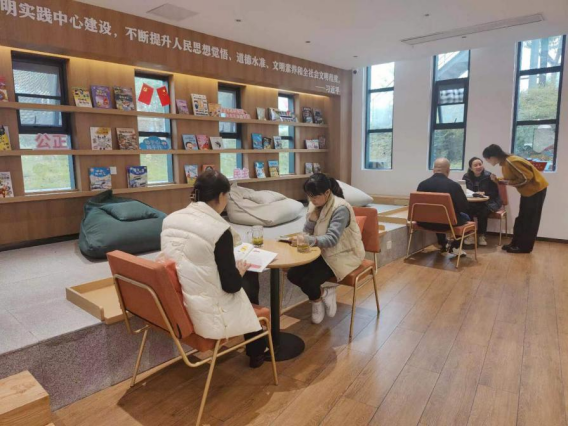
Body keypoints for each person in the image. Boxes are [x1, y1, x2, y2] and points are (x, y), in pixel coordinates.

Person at [160, 170, 267, 369]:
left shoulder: (170, 220)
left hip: (176, 301)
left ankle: (257, 345)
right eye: (227, 196)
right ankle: (257, 349)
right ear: (220, 196)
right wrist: (239, 272)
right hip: (206, 312)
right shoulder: (220, 231)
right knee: (249, 278)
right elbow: (231, 286)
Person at [287, 174, 365, 325]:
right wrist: (311, 221)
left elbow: (332, 239)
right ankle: (322, 295)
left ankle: (317, 301)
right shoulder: (314, 205)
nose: (312, 200)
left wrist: (307, 240)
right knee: (293, 274)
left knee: (309, 281)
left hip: (343, 254)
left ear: (327, 192)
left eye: (315, 196)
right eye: (309, 196)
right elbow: (307, 231)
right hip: (320, 252)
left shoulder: (340, 208)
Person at [483, 144, 549, 254]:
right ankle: (515, 243)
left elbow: (526, 178)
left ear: (493, 156)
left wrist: (506, 182)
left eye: (487, 159)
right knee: (521, 218)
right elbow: (512, 178)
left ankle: (524, 247)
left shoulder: (511, 161)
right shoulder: (505, 163)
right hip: (528, 192)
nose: (487, 161)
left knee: (529, 220)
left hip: (535, 190)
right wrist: (498, 180)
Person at [417, 158, 471, 254]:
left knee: (436, 215)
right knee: (466, 217)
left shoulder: (422, 184)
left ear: (433, 170)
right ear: (448, 170)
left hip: (424, 222)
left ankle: (443, 243)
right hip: (446, 224)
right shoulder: (454, 186)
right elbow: (464, 207)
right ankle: (455, 247)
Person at [462, 157, 503, 247]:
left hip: (488, 202)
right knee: (467, 210)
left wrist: (484, 193)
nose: (478, 167)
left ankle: (481, 235)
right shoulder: (466, 177)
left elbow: (495, 193)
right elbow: (464, 190)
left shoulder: (489, 176)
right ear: (471, 168)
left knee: (483, 210)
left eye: (480, 164)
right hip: (472, 201)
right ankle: (471, 235)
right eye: (475, 165)